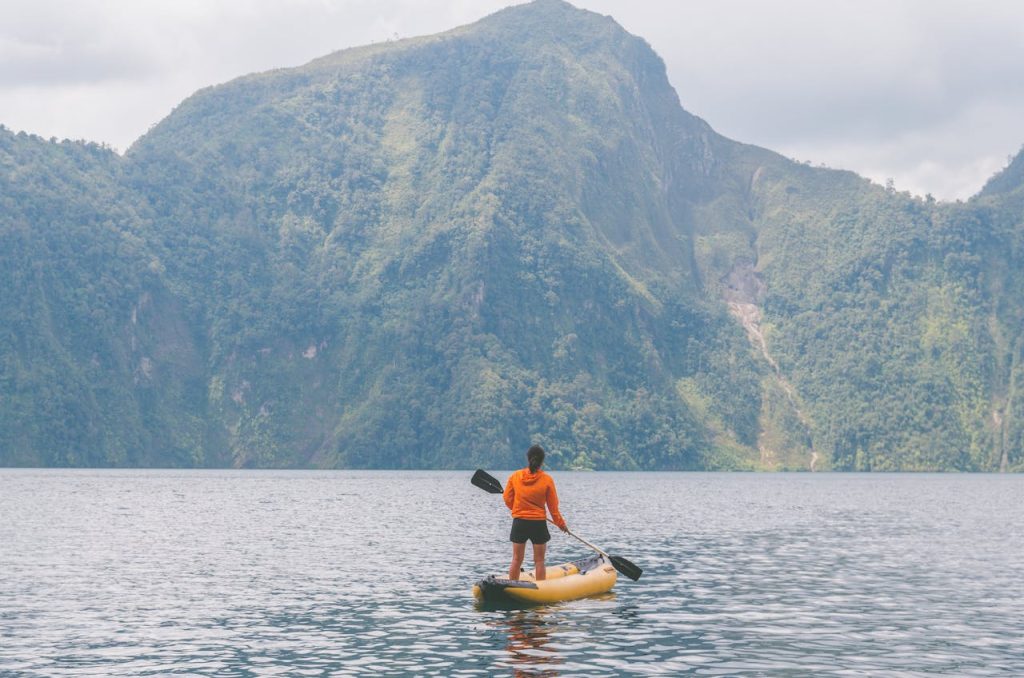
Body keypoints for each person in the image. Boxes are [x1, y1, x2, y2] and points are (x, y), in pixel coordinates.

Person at [503, 444, 568, 581]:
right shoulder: (547, 480)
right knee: (539, 561)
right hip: (538, 524)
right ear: (542, 461)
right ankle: (541, 588)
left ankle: (512, 585)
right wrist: (561, 524)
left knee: (516, 559)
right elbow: (553, 508)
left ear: (528, 459)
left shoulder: (515, 477)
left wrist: (518, 509)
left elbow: (507, 499)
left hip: (519, 522)